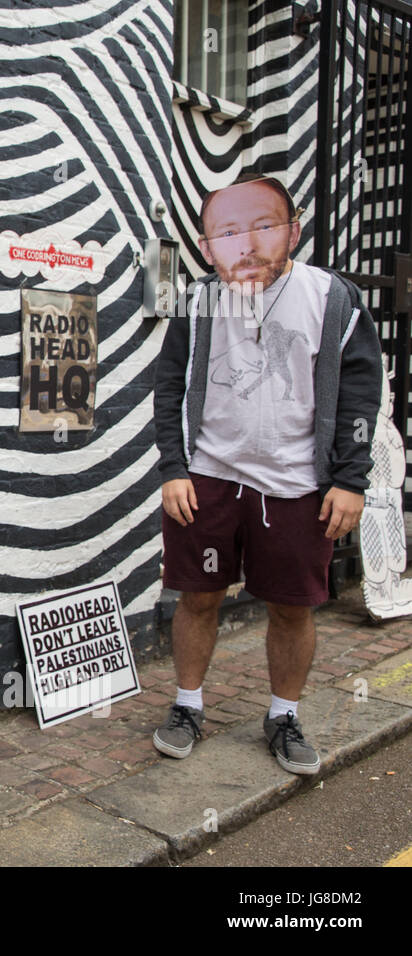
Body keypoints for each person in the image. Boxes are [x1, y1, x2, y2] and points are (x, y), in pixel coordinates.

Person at [152, 171, 382, 775]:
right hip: (210, 479)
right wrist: (175, 468)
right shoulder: (198, 301)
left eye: (263, 226)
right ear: (208, 246)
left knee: (291, 607)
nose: (245, 244)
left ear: (294, 230)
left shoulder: (333, 299)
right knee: (198, 596)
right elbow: (168, 386)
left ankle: (283, 714)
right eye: (227, 232)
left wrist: (351, 480)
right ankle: (187, 705)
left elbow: (361, 393)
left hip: (298, 484)